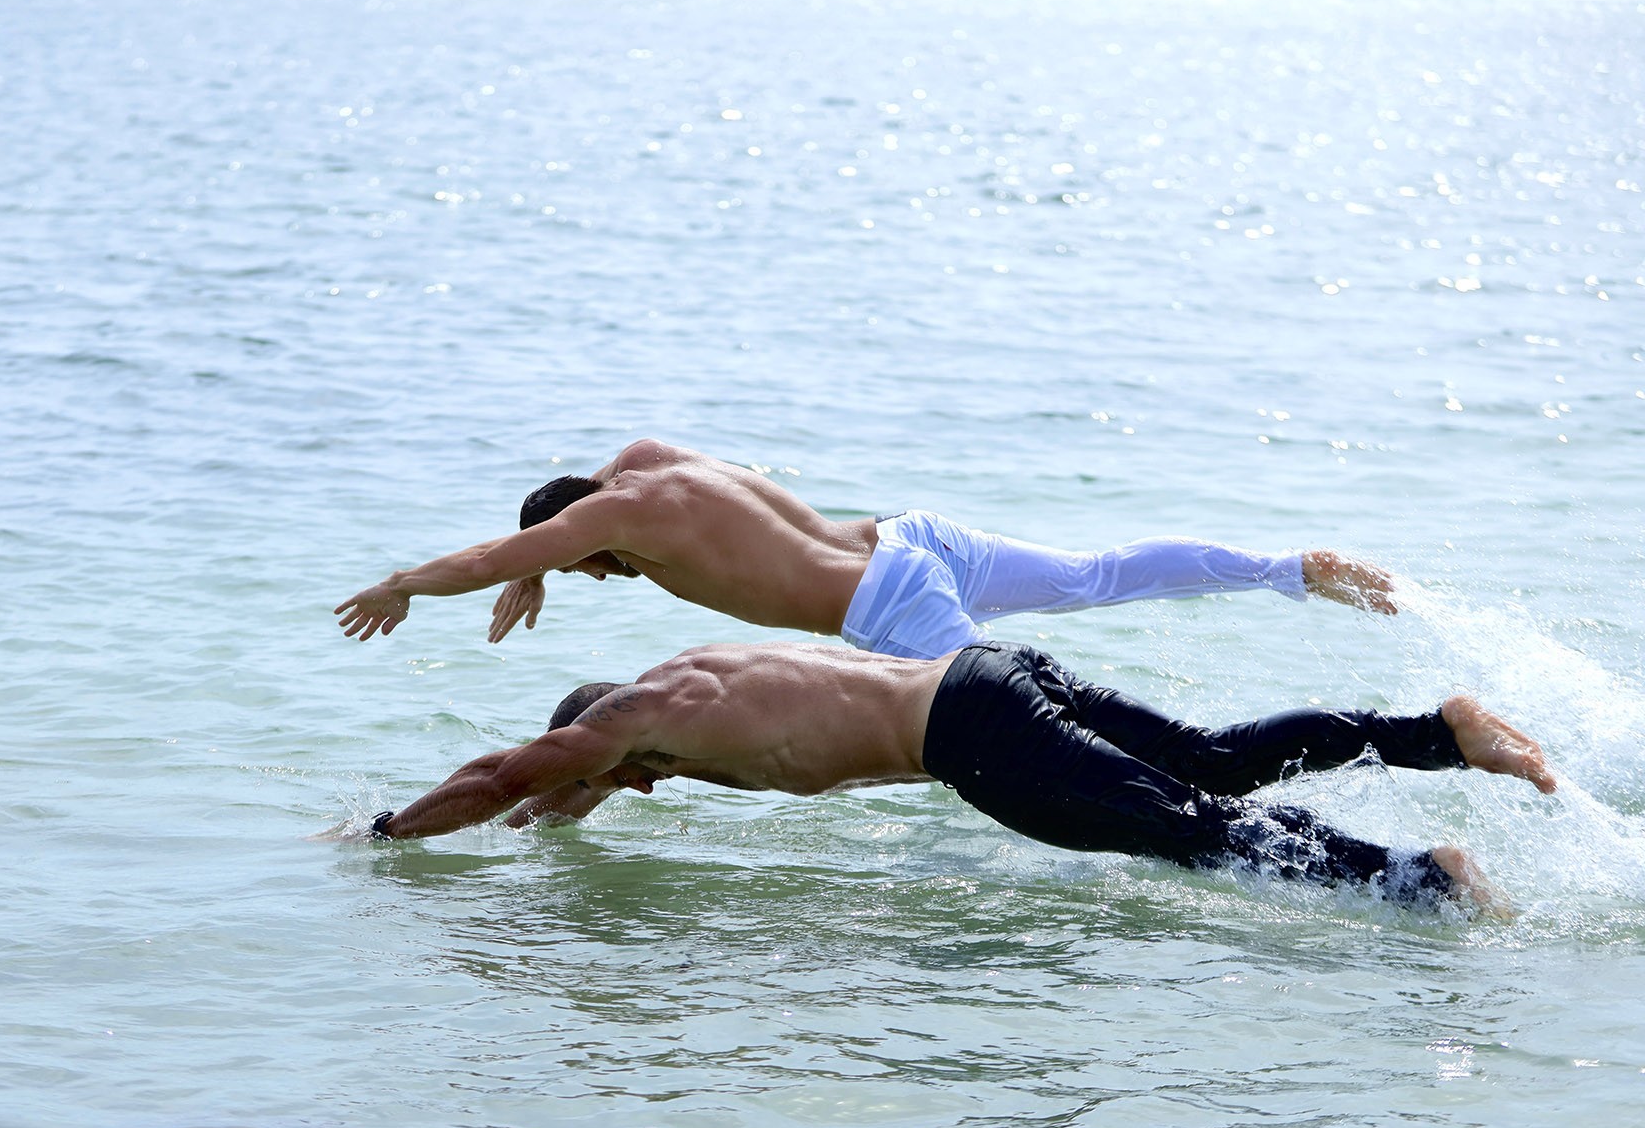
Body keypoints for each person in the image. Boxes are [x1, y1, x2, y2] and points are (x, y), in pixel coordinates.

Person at [360, 641, 1556, 911]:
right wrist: (540, 812)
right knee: (1199, 760)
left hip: (968, 737)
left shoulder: (637, 713)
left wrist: (387, 835)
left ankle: (1424, 878)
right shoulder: (681, 700)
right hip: (980, 678)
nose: (630, 791)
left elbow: (507, 767)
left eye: (601, 779)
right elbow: (539, 783)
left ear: (599, 742)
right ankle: (1435, 733)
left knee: (1177, 826)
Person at [335, 440, 1399, 659]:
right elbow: (594, 474)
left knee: (998, 734)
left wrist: (401, 585)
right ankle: (1286, 572)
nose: (605, 574)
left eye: (587, 565)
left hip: (886, 604)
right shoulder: (646, 465)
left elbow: (478, 558)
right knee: (1095, 575)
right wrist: (538, 557)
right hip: (910, 534)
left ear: (589, 532)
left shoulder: (613, 522)